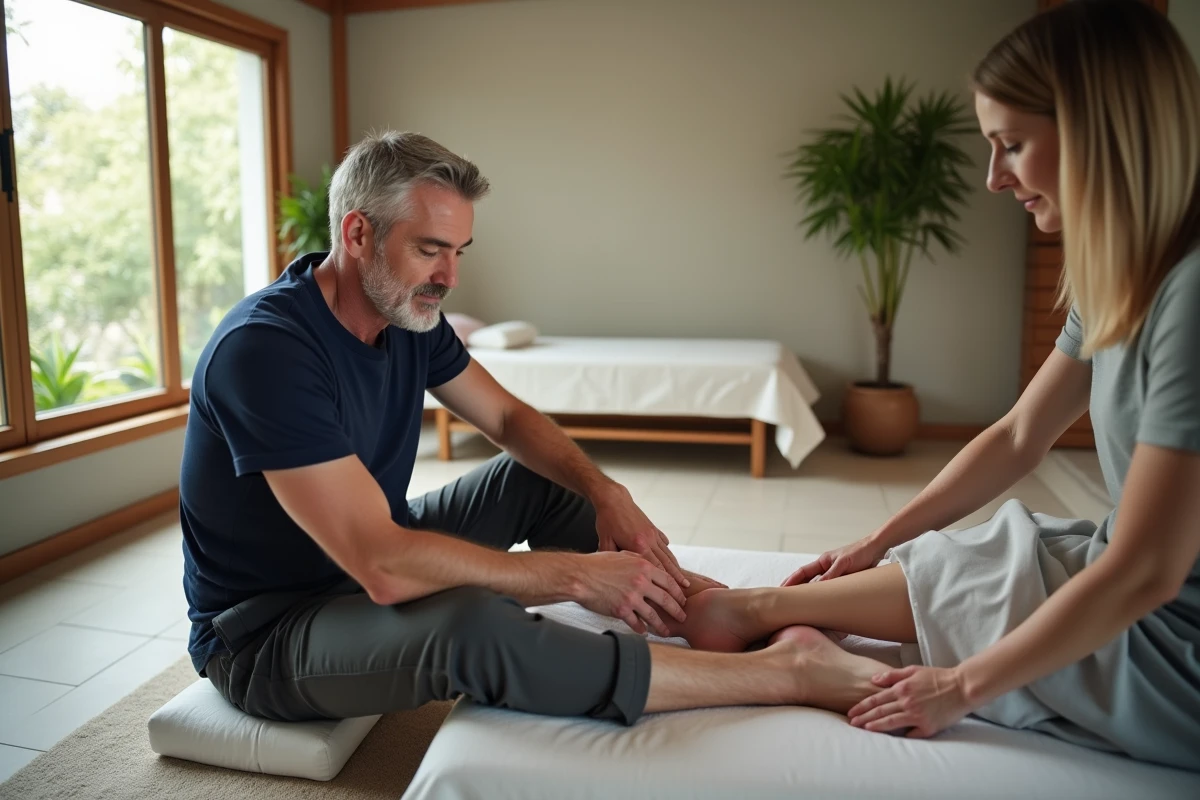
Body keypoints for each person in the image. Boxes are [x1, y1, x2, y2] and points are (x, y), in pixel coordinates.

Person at [178, 130, 886, 729]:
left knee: (540, 476)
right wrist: (574, 578)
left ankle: (716, 608)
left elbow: (510, 419)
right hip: (269, 632)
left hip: (365, 562)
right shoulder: (267, 350)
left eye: (460, 251)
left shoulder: (406, 316)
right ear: (357, 233)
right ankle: (784, 674)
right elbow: (384, 566)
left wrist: (604, 491)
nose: (449, 276)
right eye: (430, 249)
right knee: (473, 629)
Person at [664, 0, 1200, 771]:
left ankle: (817, 672)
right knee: (1003, 551)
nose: (992, 178)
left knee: (1014, 603)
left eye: (1011, 145)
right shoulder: (1123, 272)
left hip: (1177, 639)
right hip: (1139, 578)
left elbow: (1146, 571)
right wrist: (881, 539)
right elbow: (1020, 435)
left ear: (1099, 132)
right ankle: (758, 609)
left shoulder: (1190, 295)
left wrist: (958, 688)